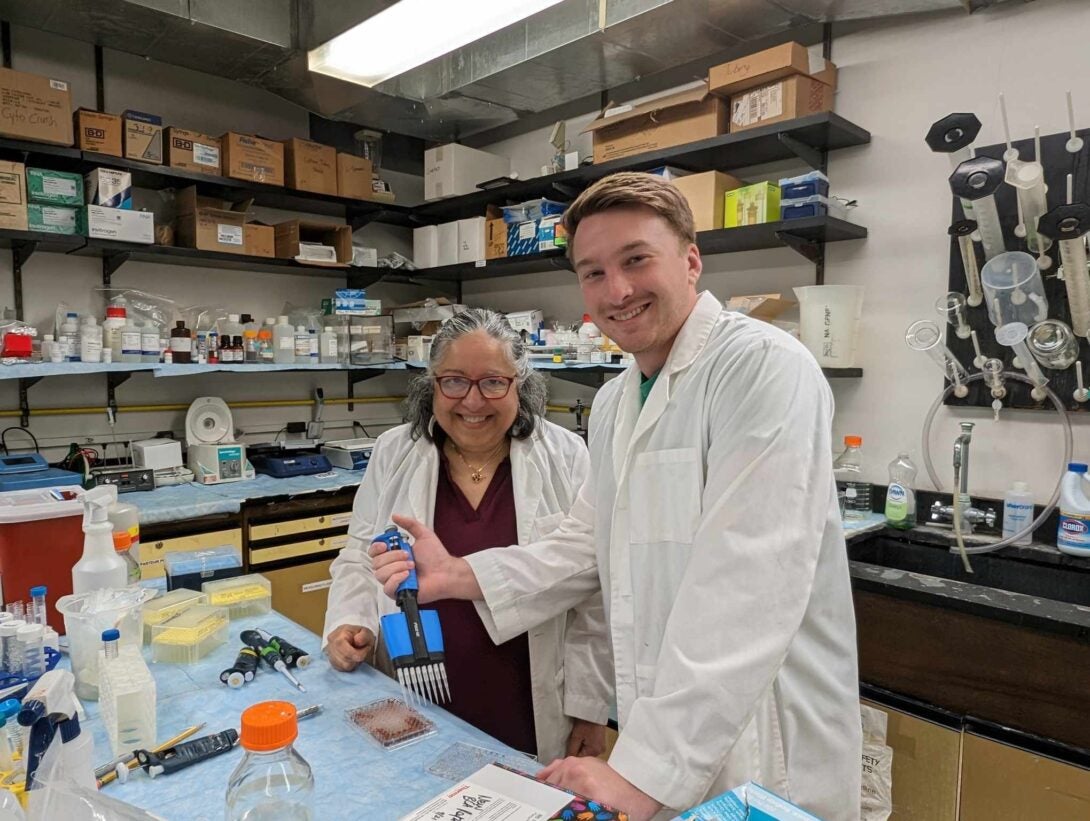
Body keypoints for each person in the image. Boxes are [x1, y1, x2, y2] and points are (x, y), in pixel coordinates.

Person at [370, 173, 862, 820]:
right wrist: (461, 574)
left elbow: (747, 582)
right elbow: (583, 545)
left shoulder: (764, 368)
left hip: (761, 739)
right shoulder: (612, 402)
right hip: (667, 735)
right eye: (593, 272)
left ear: (690, 260)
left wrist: (646, 772)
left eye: (636, 260)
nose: (617, 291)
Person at [323, 308, 613, 762]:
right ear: (432, 385)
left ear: (520, 385)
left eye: (493, 382)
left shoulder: (565, 455)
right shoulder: (395, 451)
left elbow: (592, 596)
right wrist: (349, 622)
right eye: (454, 381)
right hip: (417, 688)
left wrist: (591, 710)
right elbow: (361, 556)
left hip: (527, 697)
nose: (473, 402)